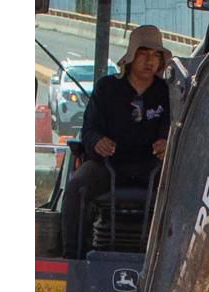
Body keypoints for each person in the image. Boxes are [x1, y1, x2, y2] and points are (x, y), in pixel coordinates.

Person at [59, 25, 172, 258]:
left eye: (156, 55)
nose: (150, 61)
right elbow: (89, 129)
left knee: (187, 190)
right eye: (144, 53)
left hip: (153, 167)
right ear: (131, 57)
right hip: (109, 165)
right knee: (76, 187)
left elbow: (175, 128)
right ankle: (74, 258)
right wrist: (97, 141)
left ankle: (173, 259)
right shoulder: (107, 88)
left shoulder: (168, 92)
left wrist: (167, 142)